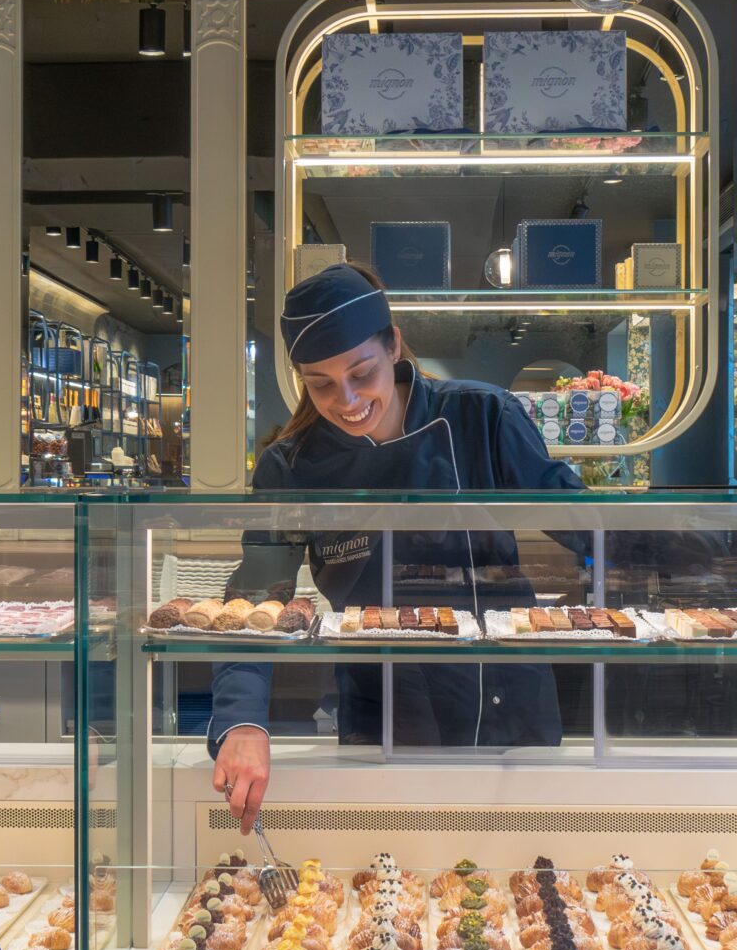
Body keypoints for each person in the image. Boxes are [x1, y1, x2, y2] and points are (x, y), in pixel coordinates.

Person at [209, 263, 582, 831]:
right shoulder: (293, 464)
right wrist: (241, 722)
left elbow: (590, 524)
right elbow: (257, 596)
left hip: (506, 692)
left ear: (394, 346)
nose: (348, 399)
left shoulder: (481, 415)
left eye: (363, 373)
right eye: (321, 383)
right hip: (381, 698)